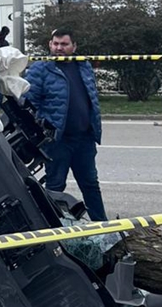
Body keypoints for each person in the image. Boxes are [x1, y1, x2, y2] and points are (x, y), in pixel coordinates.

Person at [23, 28, 107, 221]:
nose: (59, 48)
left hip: (84, 139)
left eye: (64, 44)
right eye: (55, 44)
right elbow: (27, 103)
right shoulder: (41, 68)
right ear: (50, 45)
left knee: (91, 185)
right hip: (57, 141)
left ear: (74, 46)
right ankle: (54, 229)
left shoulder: (83, 65)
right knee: (55, 187)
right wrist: (43, 128)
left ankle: (103, 227)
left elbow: (91, 98)